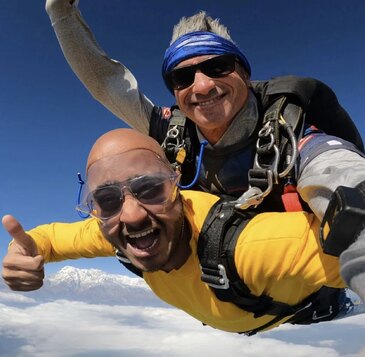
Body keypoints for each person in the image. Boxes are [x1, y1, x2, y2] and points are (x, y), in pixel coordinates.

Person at [2, 128, 365, 335]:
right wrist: (28, 251)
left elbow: (349, 242)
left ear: (177, 186)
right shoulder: (112, 233)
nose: (130, 215)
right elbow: (49, 238)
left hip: (317, 307)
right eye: (107, 200)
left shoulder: (252, 248)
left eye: (149, 189)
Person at [44, 0, 365, 222]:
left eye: (217, 67)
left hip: (296, 287)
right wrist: (60, 11)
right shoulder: (174, 132)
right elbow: (109, 85)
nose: (202, 86)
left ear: (244, 73)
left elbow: (337, 170)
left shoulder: (286, 130)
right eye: (183, 77)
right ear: (175, 91)